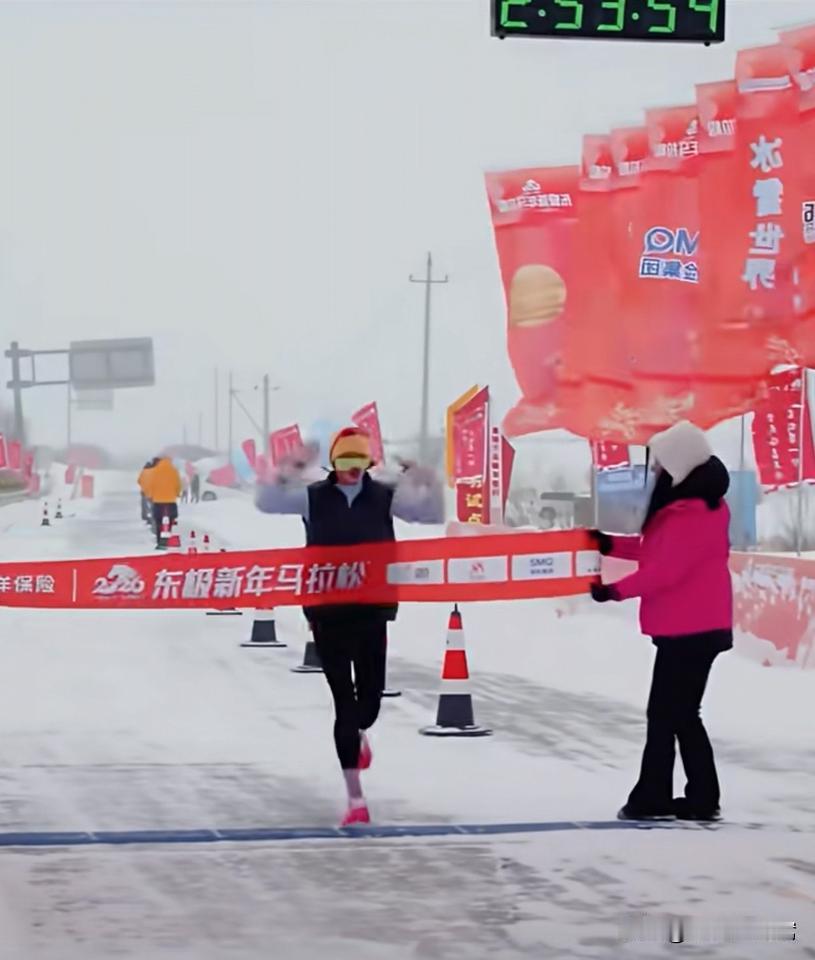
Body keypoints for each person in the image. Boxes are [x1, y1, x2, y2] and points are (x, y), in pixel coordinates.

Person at [256, 426, 445, 826]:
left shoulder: (383, 496)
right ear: (333, 464)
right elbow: (267, 502)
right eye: (345, 462)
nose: (353, 470)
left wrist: (427, 479)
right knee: (344, 701)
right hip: (326, 611)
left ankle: (359, 733)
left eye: (360, 462)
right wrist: (290, 465)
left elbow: (431, 514)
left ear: (370, 463)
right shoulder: (313, 497)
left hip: (373, 609)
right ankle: (355, 798)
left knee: (369, 704)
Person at [589, 421, 733, 823]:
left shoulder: (693, 513)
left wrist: (613, 590)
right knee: (681, 713)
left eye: (661, 464)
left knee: (668, 713)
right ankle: (700, 797)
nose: (655, 472)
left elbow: (664, 572)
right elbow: (658, 553)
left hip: (692, 630)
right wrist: (611, 544)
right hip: (689, 628)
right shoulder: (692, 507)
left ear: (679, 466)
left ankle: (655, 797)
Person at [145, 456, 183, 549]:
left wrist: (150, 495)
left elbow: (150, 484)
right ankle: (168, 534)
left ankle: (159, 540)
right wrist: (177, 493)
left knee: (158, 521)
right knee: (171, 518)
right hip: (171, 500)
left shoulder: (154, 471)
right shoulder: (174, 471)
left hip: (157, 500)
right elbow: (178, 484)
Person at [137, 459, 158, 525]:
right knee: (153, 506)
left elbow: (139, 481)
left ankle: (146, 517)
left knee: (145, 505)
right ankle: (153, 517)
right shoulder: (155, 472)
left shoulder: (143, 472)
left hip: (144, 492)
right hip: (153, 492)